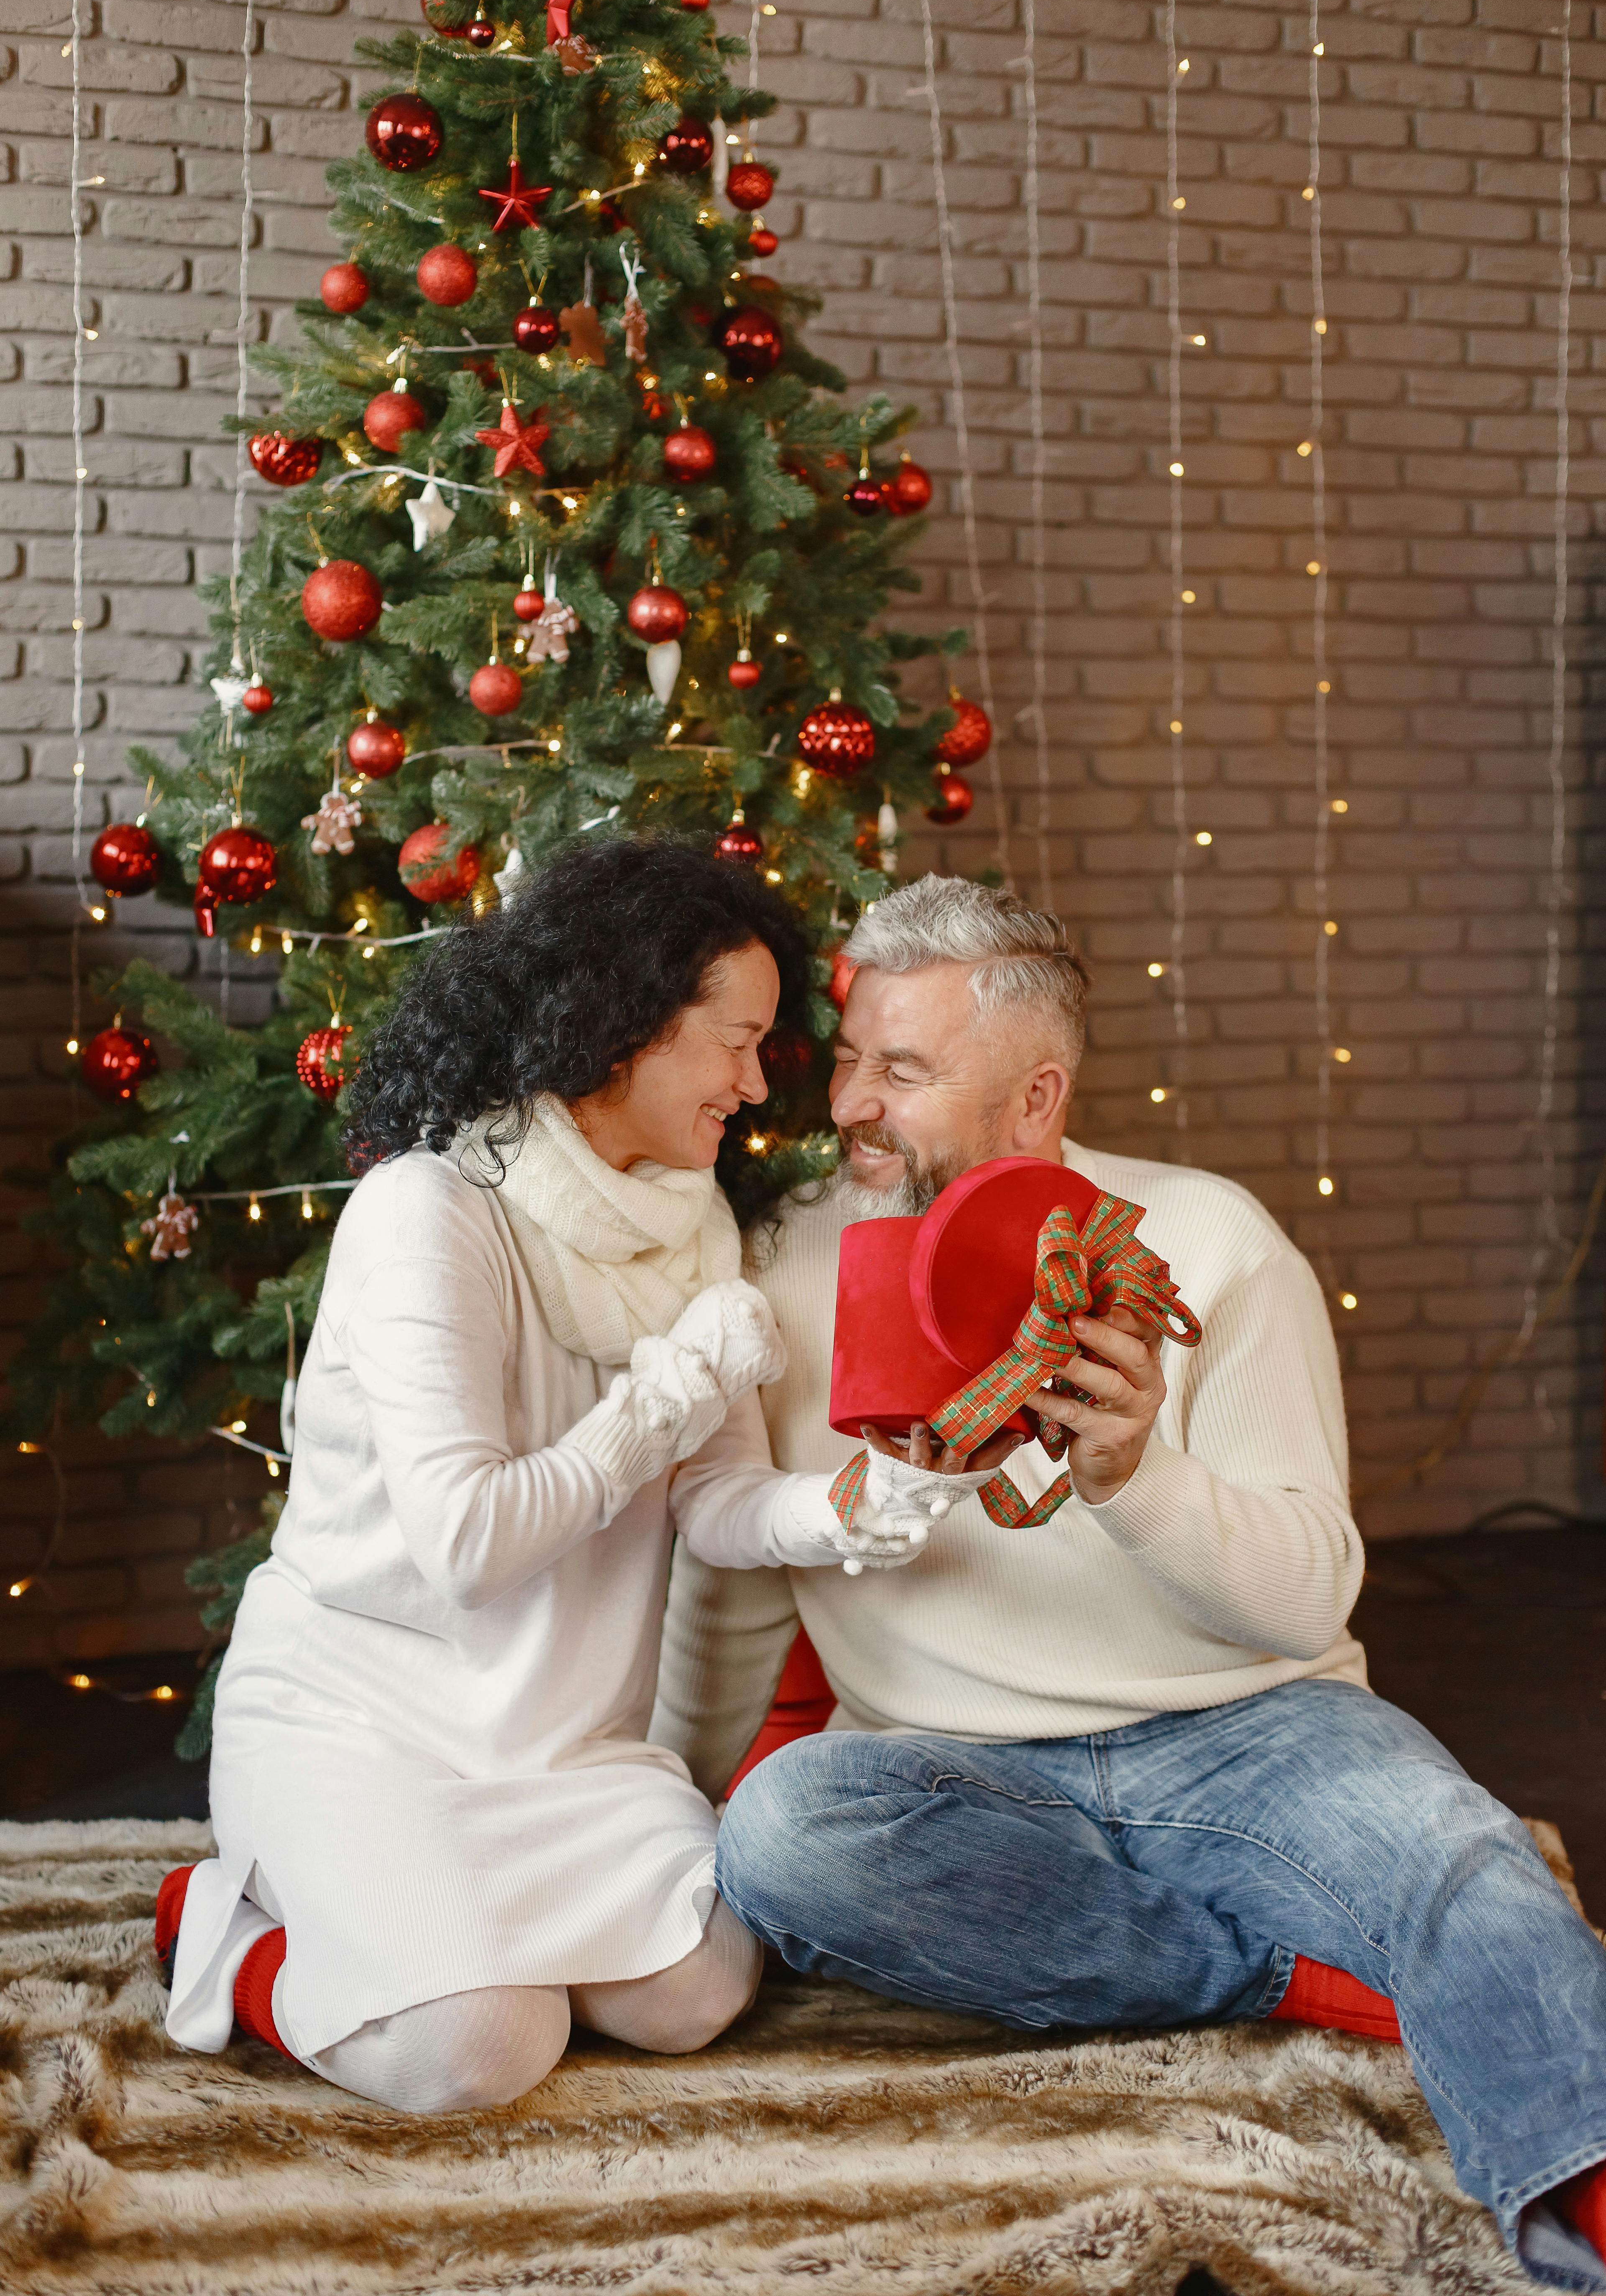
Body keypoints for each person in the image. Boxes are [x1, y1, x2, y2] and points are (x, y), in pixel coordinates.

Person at [655, 873, 1606, 2292]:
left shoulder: (1212, 1241)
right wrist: (667, 1784)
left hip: (1251, 1733)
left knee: (1461, 1857)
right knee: (785, 1837)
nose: (853, 1101)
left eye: (905, 1072)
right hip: (948, 1770)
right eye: (851, 1056)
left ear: (1036, 1102)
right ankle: (1268, 1973)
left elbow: (1307, 1602)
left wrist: (1139, 1479)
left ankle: (1582, 2223)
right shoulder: (773, 1255)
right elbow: (735, 1564)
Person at [158, 838, 934, 2115]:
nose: (756, 1082)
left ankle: (435, 1931)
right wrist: (667, 1392)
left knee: (692, 1996)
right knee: (476, 2051)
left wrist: (851, 1510)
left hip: (561, 1740)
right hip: (364, 1721)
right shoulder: (431, 1213)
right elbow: (469, 1543)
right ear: (618, 1026)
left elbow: (718, 1500)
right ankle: (233, 1938)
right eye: (733, 1040)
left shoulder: (693, 1225)